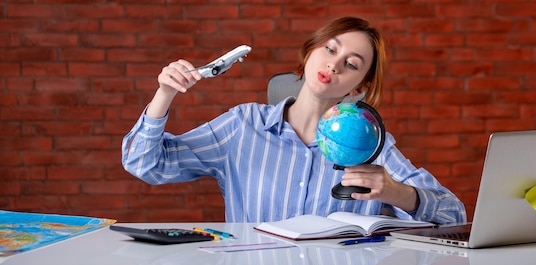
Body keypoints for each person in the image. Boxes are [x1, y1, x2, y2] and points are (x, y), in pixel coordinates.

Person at [122, 16, 466, 224]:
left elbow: (454, 215)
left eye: (352, 63)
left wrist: (397, 193)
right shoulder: (243, 127)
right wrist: (164, 93)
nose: (334, 64)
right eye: (330, 49)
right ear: (310, 52)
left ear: (360, 86)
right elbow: (143, 163)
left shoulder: (371, 145)